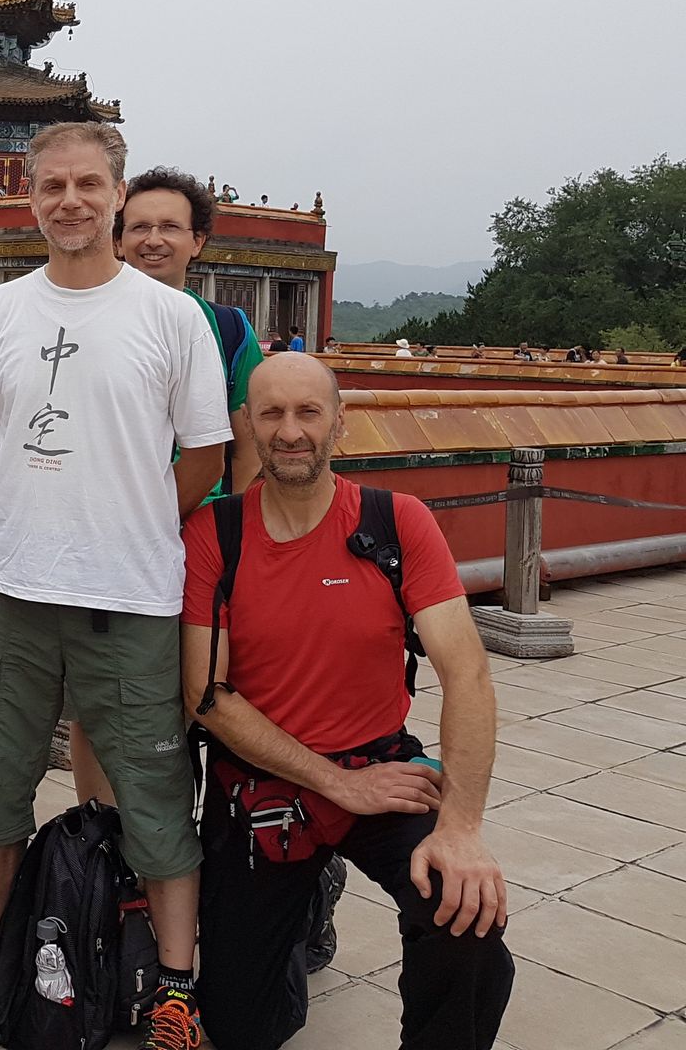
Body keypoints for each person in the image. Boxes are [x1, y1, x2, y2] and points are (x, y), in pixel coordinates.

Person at [0, 123, 231, 1048]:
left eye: (88, 184)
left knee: (152, 786)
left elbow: (206, 453)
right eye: (52, 185)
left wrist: (129, 515)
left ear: (117, 194)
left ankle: (174, 984)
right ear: (31, 198)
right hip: (12, 584)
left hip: (128, 595)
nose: (70, 201)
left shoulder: (171, 317)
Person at [183, 355, 513, 1049]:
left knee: (467, 924)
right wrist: (336, 785)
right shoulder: (217, 534)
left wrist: (460, 829)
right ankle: (305, 895)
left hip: (382, 767)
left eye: (309, 412)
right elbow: (208, 697)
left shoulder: (397, 523)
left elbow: (467, 675)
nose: (290, 431)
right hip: (262, 783)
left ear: (340, 423)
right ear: (247, 426)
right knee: (240, 1026)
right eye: (271, 413)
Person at [63, 167, 264, 810]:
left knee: (208, 685)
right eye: (139, 227)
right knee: (102, 699)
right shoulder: (83, 320)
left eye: (170, 228)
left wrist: (239, 533)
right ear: (117, 238)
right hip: (107, 542)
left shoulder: (226, 329)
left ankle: (200, 829)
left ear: (197, 241)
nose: (153, 240)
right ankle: (100, 834)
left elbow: (246, 443)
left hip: (203, 539)